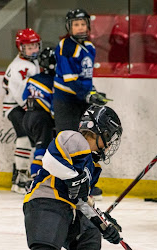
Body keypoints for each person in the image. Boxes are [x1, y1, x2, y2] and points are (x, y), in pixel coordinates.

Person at [11, 105, 123, 250]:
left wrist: (102, 222)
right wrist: (74, 177)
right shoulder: (74, 139)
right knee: (48, 238)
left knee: (90, 231)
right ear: (100, 131)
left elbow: (80, 199)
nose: (109, 143)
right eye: (109, 136)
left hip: (66, 209)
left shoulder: (93, 166)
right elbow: (49, 160)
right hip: (44, 200)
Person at [54, 8, 109, 199]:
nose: (80, 27)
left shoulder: (89, 47)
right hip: (66, 101)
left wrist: (92, 92)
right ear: (69, 27)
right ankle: (64, 183)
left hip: (81, 100)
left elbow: (85, 78)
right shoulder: (65, 46)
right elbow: (69, 79)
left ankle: (85, 183)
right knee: (68, 141)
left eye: (83, 24)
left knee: (87, 142)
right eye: (76, 24)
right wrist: (87, 96)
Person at [3, 28, 41, 194]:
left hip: (23, 105)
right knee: (24, 137)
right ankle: (20, 178)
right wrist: (33, 110)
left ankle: (17, 176)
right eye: (29, 47)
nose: (34, 50)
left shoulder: (32, 62)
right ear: (21, 48)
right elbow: (21, 96)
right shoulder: (19, 67)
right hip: (15, 106)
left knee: (29, 139)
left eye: (35, 46)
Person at [22, 47, 56, 181]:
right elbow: (54, 108)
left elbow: (24, 98)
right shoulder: (55, 81)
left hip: (27, 118)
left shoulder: (32, 79)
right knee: (42, 151)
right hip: (42, 119)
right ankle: (35, 181)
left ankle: (38, 177)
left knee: (38, 149)